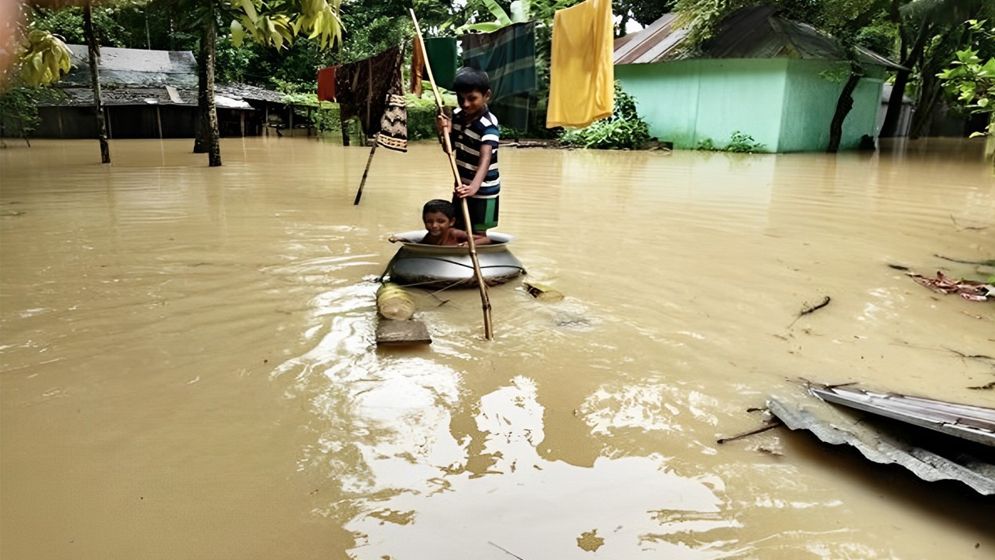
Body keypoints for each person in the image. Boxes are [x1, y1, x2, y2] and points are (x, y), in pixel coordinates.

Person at [436, 67, 500, 244]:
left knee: (478, 233)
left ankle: (470, 248)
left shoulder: (489, 125)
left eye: (472, 98)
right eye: (460, 98)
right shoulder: (457, 116)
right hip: (461, 183)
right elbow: (448, 148)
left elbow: (486, 158)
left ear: (486, 95)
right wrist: (443, 130)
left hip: (484, 188)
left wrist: (474, 187)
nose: (465, 104)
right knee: (457, 226)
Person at [389, 199, 469, 246]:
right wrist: (402, 239)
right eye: (429, 222)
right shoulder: (430, 236)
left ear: (451, 222)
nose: (434, 226)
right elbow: (421, 246)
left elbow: (481, 239)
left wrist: (468, 244)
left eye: (441, 221)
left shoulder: (454, 233)